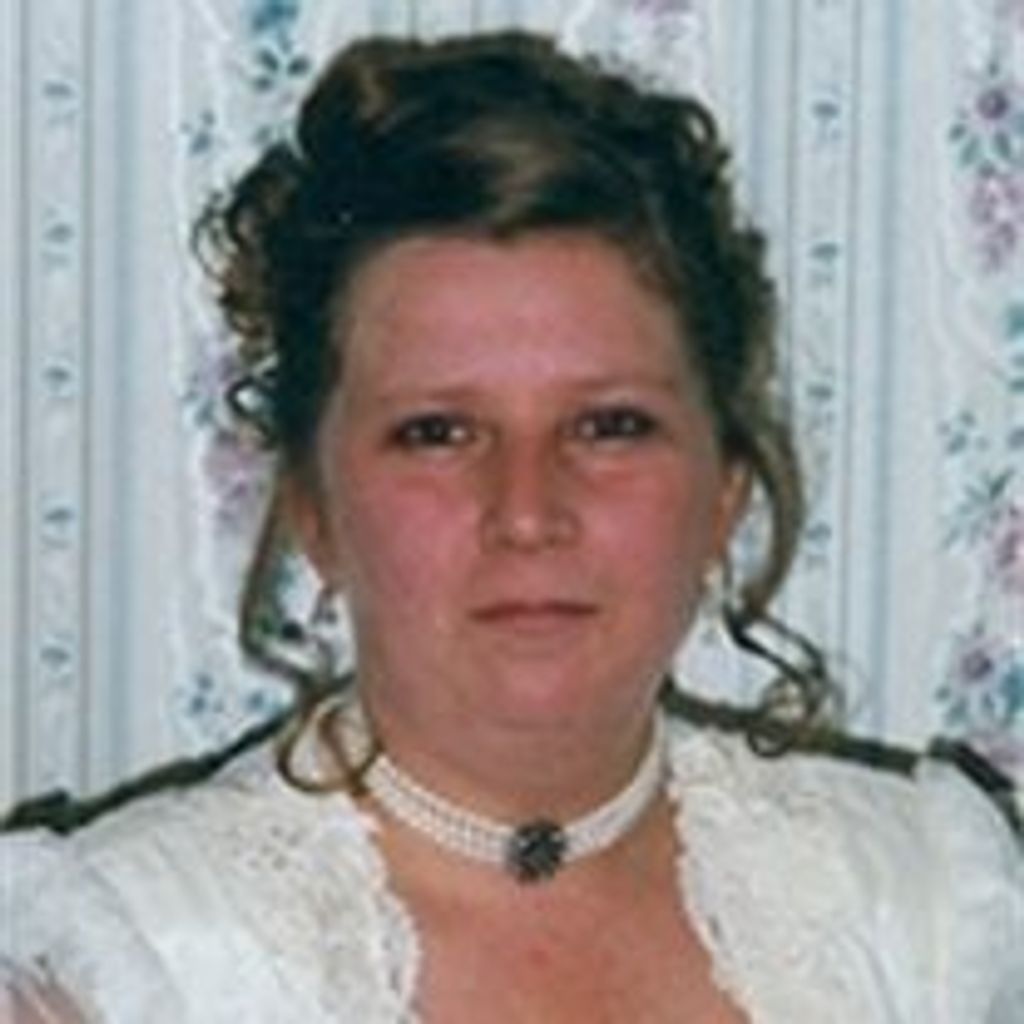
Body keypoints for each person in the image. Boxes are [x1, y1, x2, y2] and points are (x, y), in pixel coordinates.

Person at [2, 30, 1022, 1024]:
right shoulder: (123, 967)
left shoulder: (920, 910)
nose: (528, 512)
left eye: (609, 425)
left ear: (723, 497)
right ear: (313, 511)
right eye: (437, 433)